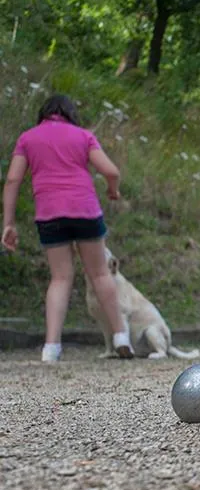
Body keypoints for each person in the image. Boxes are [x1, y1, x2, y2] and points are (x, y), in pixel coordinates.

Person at [2, 94, 134, 361]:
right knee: (99, 274)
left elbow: (13, 180)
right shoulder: (83, 136)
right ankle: (121, 336)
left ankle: (51, 347)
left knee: (60, 278)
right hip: (84, 210)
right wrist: (113, 190)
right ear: (71, 113)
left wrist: (8, 223)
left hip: (49, 214)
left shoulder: (28, 138)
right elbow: (111, 171)